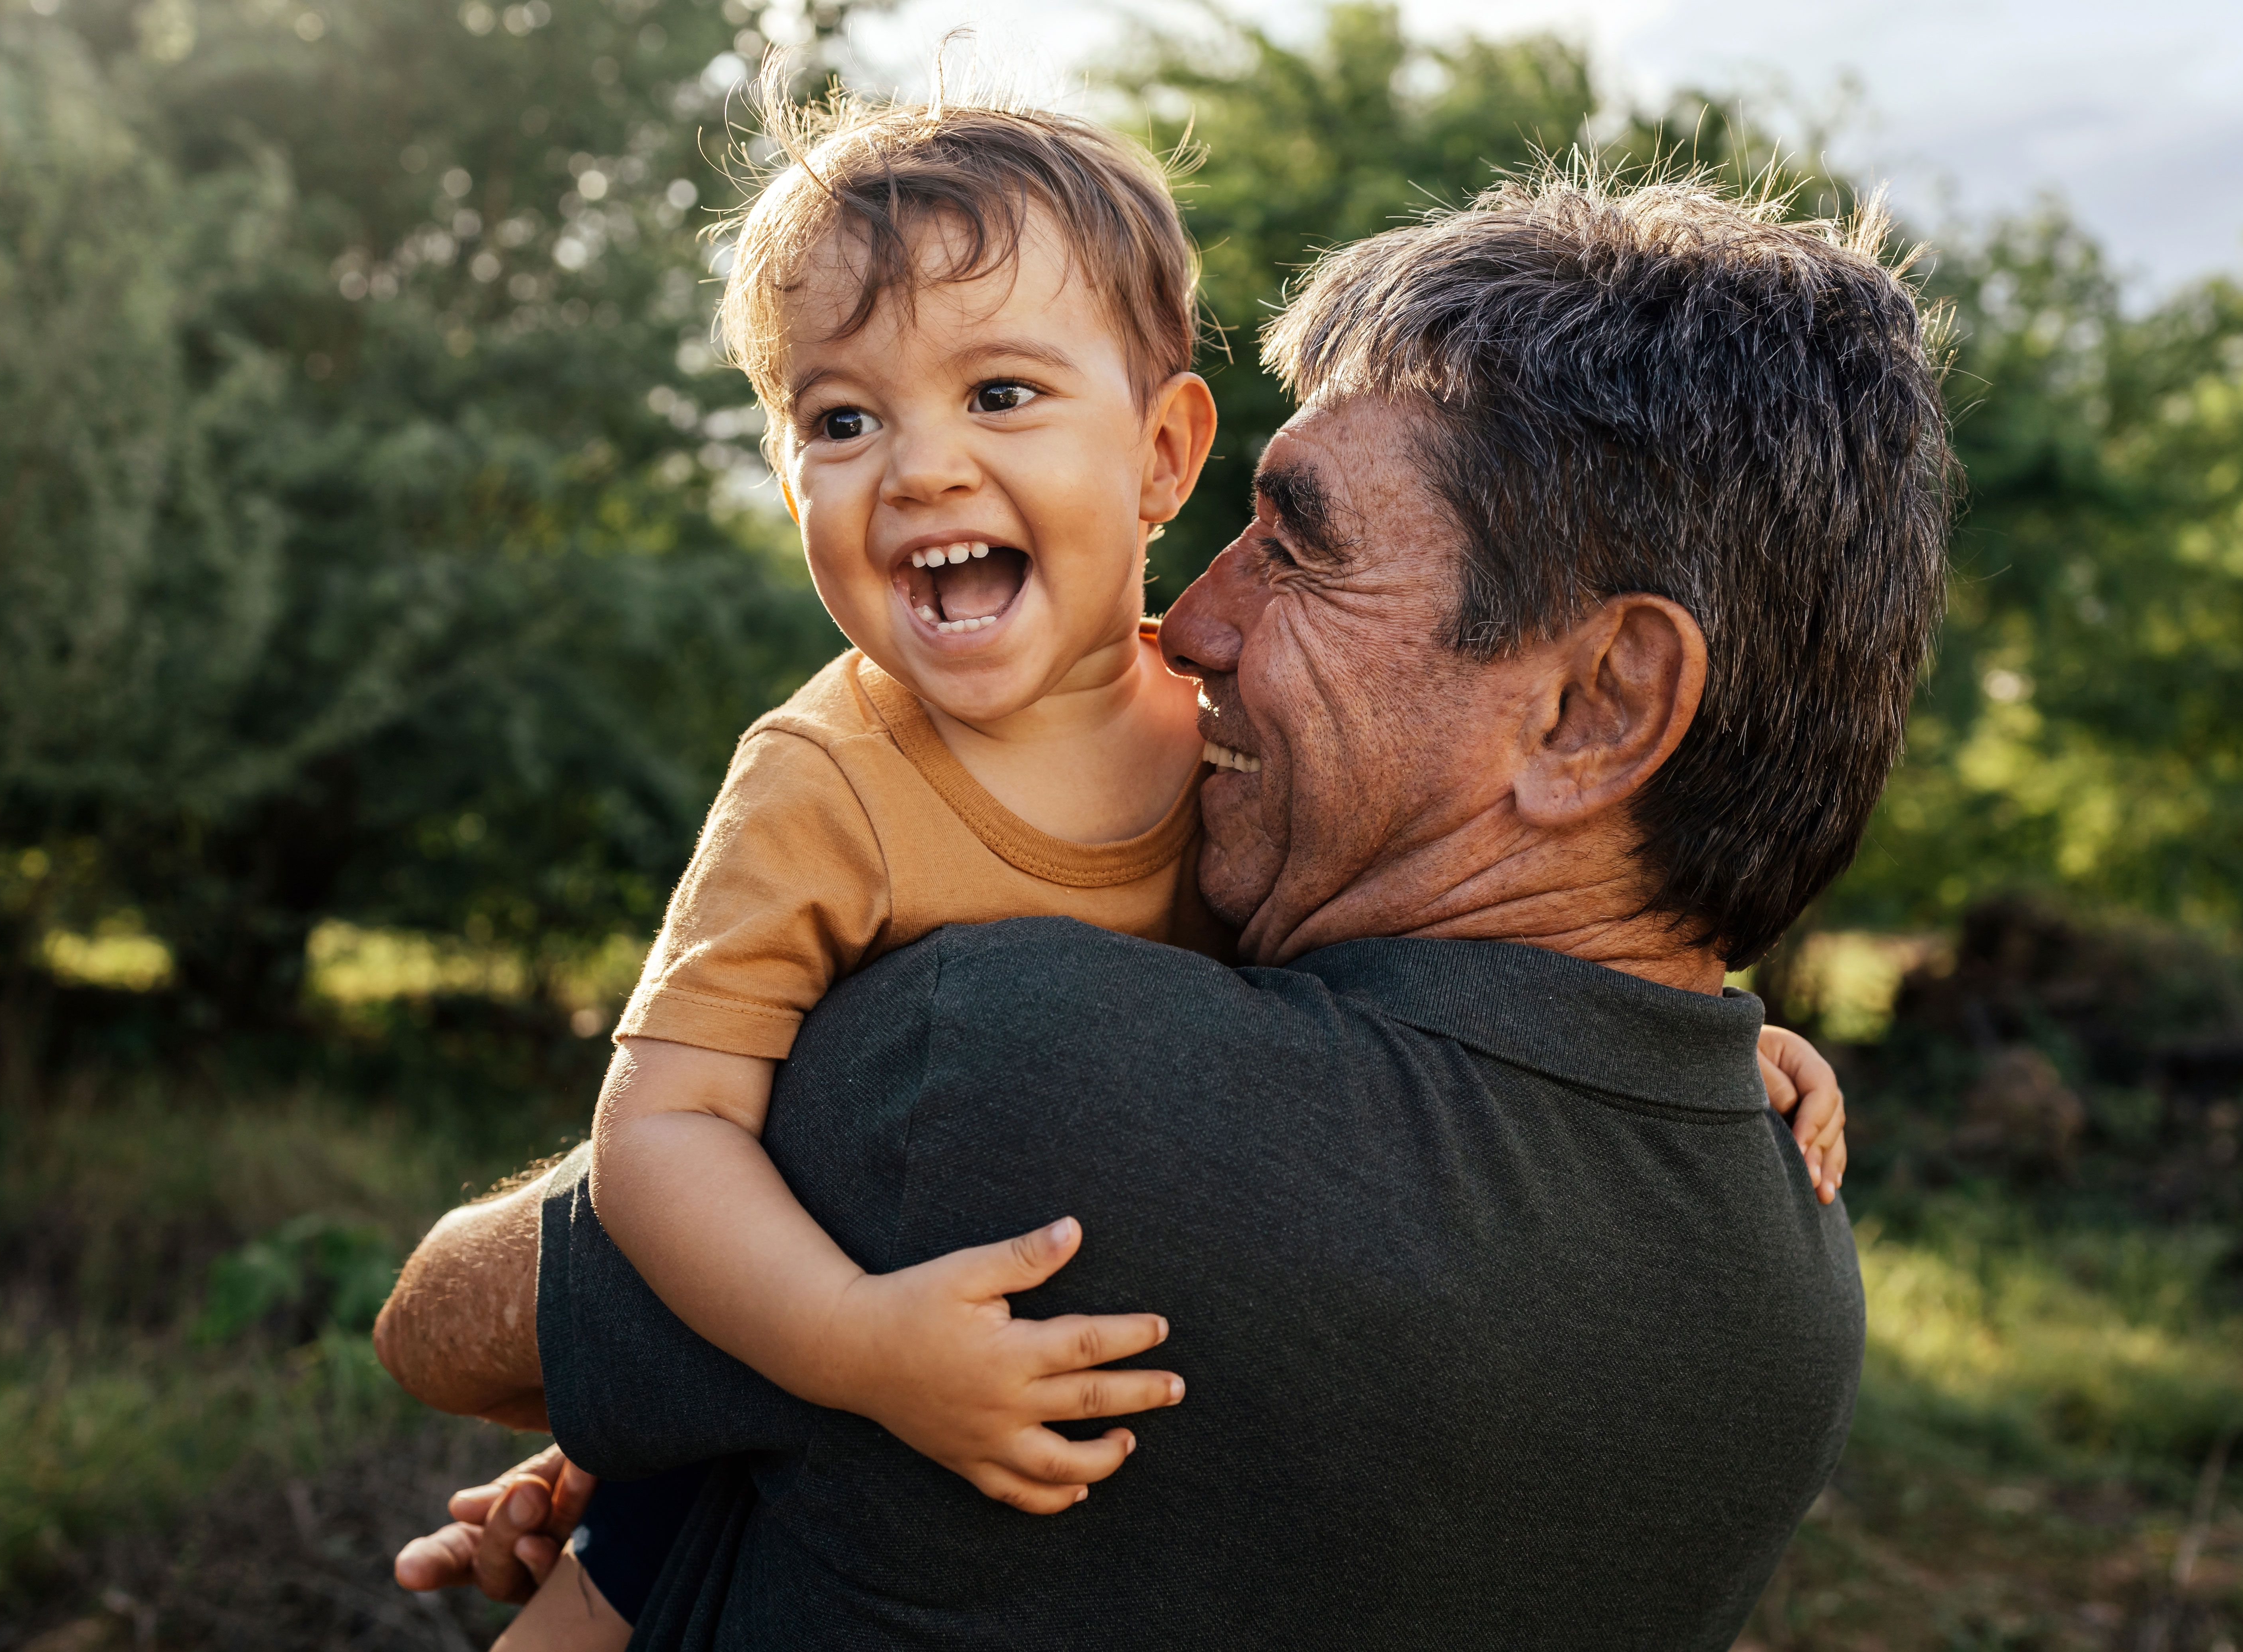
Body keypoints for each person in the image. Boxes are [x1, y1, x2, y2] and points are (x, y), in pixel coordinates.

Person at [377, 155, 1950, 1649]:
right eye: (843, 418)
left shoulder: (1001, 1065)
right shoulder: (1792, 1280)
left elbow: (440, 1325)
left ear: (1597, 705)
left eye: (1298, 550)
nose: (1187, 625)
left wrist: (721, 1368)